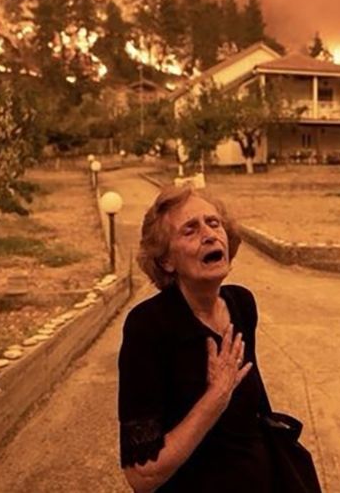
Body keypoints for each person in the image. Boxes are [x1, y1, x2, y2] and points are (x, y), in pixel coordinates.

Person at [118, 186, 273, 492]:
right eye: (190, 230)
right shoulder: (148, 327)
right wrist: (215, 398)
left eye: (214, 223)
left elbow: (256, 412)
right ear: (166, 261)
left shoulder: (241, 303)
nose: (209, 234)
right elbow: (142, 475)